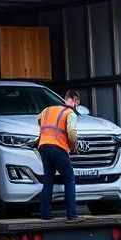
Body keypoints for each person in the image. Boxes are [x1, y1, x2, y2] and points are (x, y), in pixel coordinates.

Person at [37, 89, 80, 220]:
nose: (77, 105)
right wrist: (73, 147)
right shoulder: (70, 113)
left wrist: (45, 133)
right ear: (73, 100)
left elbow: (38, 120)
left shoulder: (47, 110)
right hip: (58, 147)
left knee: (48, 180)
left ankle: (45, 214)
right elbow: (72, 133)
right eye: (77, 102)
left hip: (43, 146)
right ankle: (72, 214)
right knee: (69, 178)